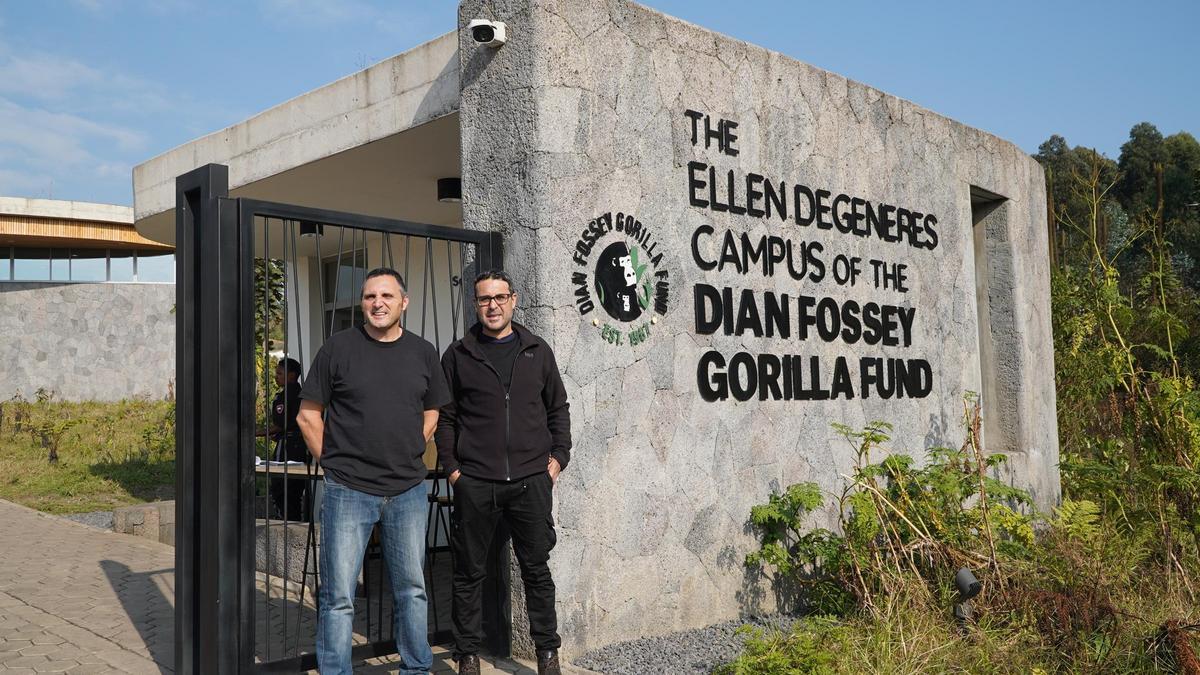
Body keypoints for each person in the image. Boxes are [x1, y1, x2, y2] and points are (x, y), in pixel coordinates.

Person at [296, 267, 450, 675]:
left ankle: (416, 668)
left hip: (408, 491)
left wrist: (415, 443)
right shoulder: (338, 349)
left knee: (412, 591)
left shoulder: (423, 352)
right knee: (338, 596)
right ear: (362, 304)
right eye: (368, 297)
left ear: (404, 302)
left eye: (385, 295)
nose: (377, 303)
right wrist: (334, 466)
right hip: (348, 492)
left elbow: (434, 407)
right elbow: (308, 416)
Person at [435, 270, 571, 675]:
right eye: (483, 300)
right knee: (469, 573)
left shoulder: (537, 350)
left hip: (531, 480)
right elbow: (446, 419)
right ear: (475, 305)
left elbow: (557, 408)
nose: (491, 306)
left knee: (536, 571)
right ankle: (468, 656)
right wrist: (453, 470)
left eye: (498, 298)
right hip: (476, 482)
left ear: (513, 300)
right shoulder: (458, 355)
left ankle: (547, 653)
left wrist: (558, 458)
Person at [257, 357, 309, 521]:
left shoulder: (287, 395)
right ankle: (293, 518)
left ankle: (286, 519)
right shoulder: (303, 393)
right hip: (301, 446)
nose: (275, 376)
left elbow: (282, 424)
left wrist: (255, 432)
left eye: (280, 373)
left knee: (281, 484)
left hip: (288, 446)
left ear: (292, 375)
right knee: (295, 487)